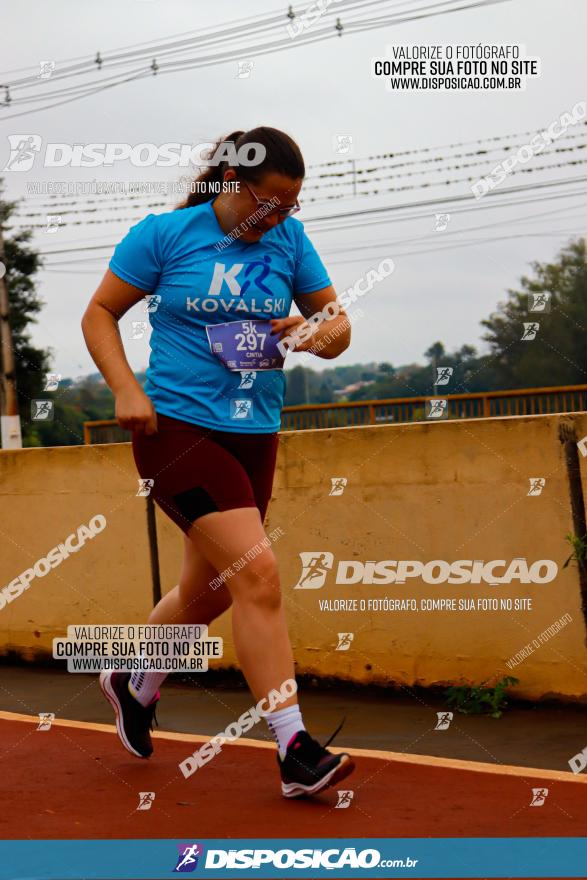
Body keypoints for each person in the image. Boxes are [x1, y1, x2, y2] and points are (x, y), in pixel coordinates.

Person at [81, 126, 354, 798]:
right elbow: (100, 314)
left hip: (253, 432)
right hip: (175, 429)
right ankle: (293, 746)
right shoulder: (166, 235)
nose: (278, 219)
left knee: (207, 594)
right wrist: (125, 387)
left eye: (289, 208)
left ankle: (133, 680)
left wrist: (314, 333)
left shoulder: (289, 241)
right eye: (267, 205)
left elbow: (339, 325)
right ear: (232, 184)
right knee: (257, 575)